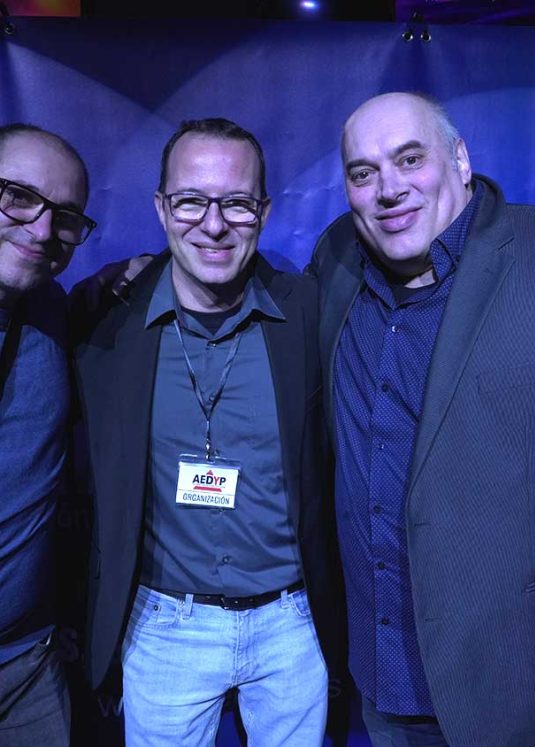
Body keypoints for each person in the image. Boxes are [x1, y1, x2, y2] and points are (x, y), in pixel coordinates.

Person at [72, 117, 343, 746]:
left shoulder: (309, 312)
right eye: (191, 201)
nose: (214, 225)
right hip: (164, 624)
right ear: (161, 209)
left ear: (264, 212)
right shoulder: (104, 322)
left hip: (291, 625)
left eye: (237, 204)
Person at [309, 91, 535, 747]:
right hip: (382, 684)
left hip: (517, 687)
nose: (389, 188)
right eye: (363, 172)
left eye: (410, 159)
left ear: (461, 160)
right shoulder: (334, 261)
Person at [0, 123, 95, 745]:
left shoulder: (53, 310)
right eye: (18, 196)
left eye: (65, 217)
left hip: (26, 666)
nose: (41, 231)